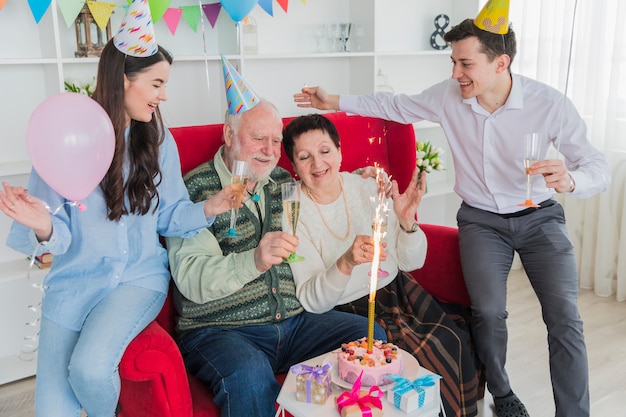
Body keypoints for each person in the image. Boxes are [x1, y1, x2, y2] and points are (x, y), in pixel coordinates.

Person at [292, 4, 610, 417]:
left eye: (465, 63)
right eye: (453, 62)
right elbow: (395, 105)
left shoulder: (548, 104)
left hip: (539, 216)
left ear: (501, 63)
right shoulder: (448, 97)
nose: (456, 73)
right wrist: (332, 98)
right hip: (481, 221)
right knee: (490, 311)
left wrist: (571, 180)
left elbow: (598, 167)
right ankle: (503, 394)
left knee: (565, 319)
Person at [0, 4, 239, 415]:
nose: (165, 95)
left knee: (91, 371)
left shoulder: (159, 142)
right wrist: (42, 226)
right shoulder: (65, 133)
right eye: (157, 83)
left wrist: (210, 206)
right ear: (123, 80)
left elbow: (169, 217)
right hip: (73, 285)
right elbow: (51, 234)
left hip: (138, 281)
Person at [165, 99, 385, 417]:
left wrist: (364, 183)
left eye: (276, 140)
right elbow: (191, 279)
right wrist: (254, 260)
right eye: (259, 138)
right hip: (221, 330)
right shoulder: (195, 191)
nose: (269, 150)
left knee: (368, 339)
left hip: (293, 325)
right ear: (228, 134)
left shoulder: (282, 182)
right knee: (249, 373)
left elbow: (324, 183)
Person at [282, 113, 481, 417]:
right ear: (294, 167)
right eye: (304, 157)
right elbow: (312, 300)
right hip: (345, 309)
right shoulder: (293, 210)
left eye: (325, 151)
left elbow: (409, 261)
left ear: (339, 150)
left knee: (451, 337)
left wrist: (407, 223)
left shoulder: (366, 187)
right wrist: (346, 262)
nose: (317, 164)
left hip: (396, 292)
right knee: (410, 359)